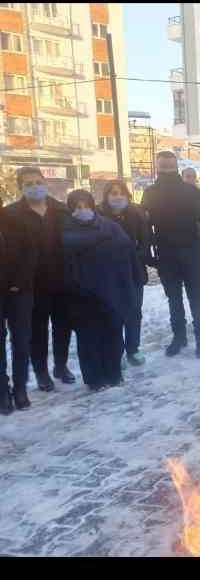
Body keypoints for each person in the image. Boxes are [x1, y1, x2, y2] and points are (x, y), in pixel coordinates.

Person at [1, 167, 75, 392]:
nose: (34, 186)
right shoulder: (9, 214)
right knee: (37, 331)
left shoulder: (61, 210)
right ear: (20, 187)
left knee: (63, 326)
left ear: (45, 182)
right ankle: (41, 371)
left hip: (62, 280)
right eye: (28, 183)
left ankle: (61, 366)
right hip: (30, 284)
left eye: (37, 181)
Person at [62, 190, 140, 392]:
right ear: (71, 209)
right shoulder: (66, 230)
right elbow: (65, 261)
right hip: (83, 294)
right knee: (89, 339)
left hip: (112, 289)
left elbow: (128, 252)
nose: (83, 210)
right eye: (77, 207)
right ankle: (94, 378)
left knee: (113, 333)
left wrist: (132, 280)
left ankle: (114, 373)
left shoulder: (110, 226)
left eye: (86, 205)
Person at [142, 150, 200, 358]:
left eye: (169, 166)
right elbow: (144, 226)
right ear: (158, 167)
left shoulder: (190, 192)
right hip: (166, 254)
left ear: (176, 167)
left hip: (191, 252)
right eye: (163, 166)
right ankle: (179, 337)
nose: (166, 170)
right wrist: (147, 252)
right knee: (174, 299)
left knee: (194, 298)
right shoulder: (150, 193)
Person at [100, 180, 151, 365]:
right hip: (109, 275)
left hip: (134, 272)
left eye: (121, 193)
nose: (118, 197)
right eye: (113, 193)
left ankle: (133, 349)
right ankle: (116, 352)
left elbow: (145, 242)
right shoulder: (99, 217)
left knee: (134, 311)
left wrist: (135, 256)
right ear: (106, 196)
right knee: (113, 314)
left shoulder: (135, 215)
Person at [0, 189, 37, 411]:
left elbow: (31, 253)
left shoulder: (14, 220)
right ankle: (2, 391)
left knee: (22, 340)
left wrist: (19, 281)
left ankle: (20, 387)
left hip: (19, 290)